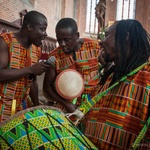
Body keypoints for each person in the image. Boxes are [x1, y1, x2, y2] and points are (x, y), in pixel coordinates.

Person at [84, 19, 150, 149]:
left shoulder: (146, 79)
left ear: (125, 37)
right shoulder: (111, 77)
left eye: (107, 35)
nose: (101, 42)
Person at [0, 11, 50, 123]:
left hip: (22, 108)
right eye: (42, 29)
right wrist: (30, 69)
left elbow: (32, 80)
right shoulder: (5, 41)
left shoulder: (35, 49)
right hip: (2, 107)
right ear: (30, 27)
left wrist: (37, 107)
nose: (45, 34)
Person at [43, 18, 101, 115]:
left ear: (77, 36)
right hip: (67, 104)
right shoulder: (55, 56)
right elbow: (47, 87)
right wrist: (66, 104)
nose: (62, 44)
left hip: (92, 102)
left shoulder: (93, 47)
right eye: (59, 40)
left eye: (67, 40)